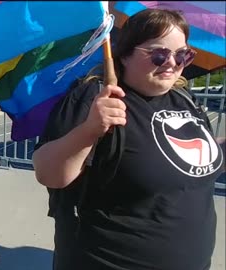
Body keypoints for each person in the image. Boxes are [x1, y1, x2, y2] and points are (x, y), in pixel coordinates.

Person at [33, 8, 224, 270]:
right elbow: (48, 173)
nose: (172, 63)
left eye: (182, 54)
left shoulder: (183, 98)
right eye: (158, 54)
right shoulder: (95, 97)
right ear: (124, 54)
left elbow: (198, 157)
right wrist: (89, 129)